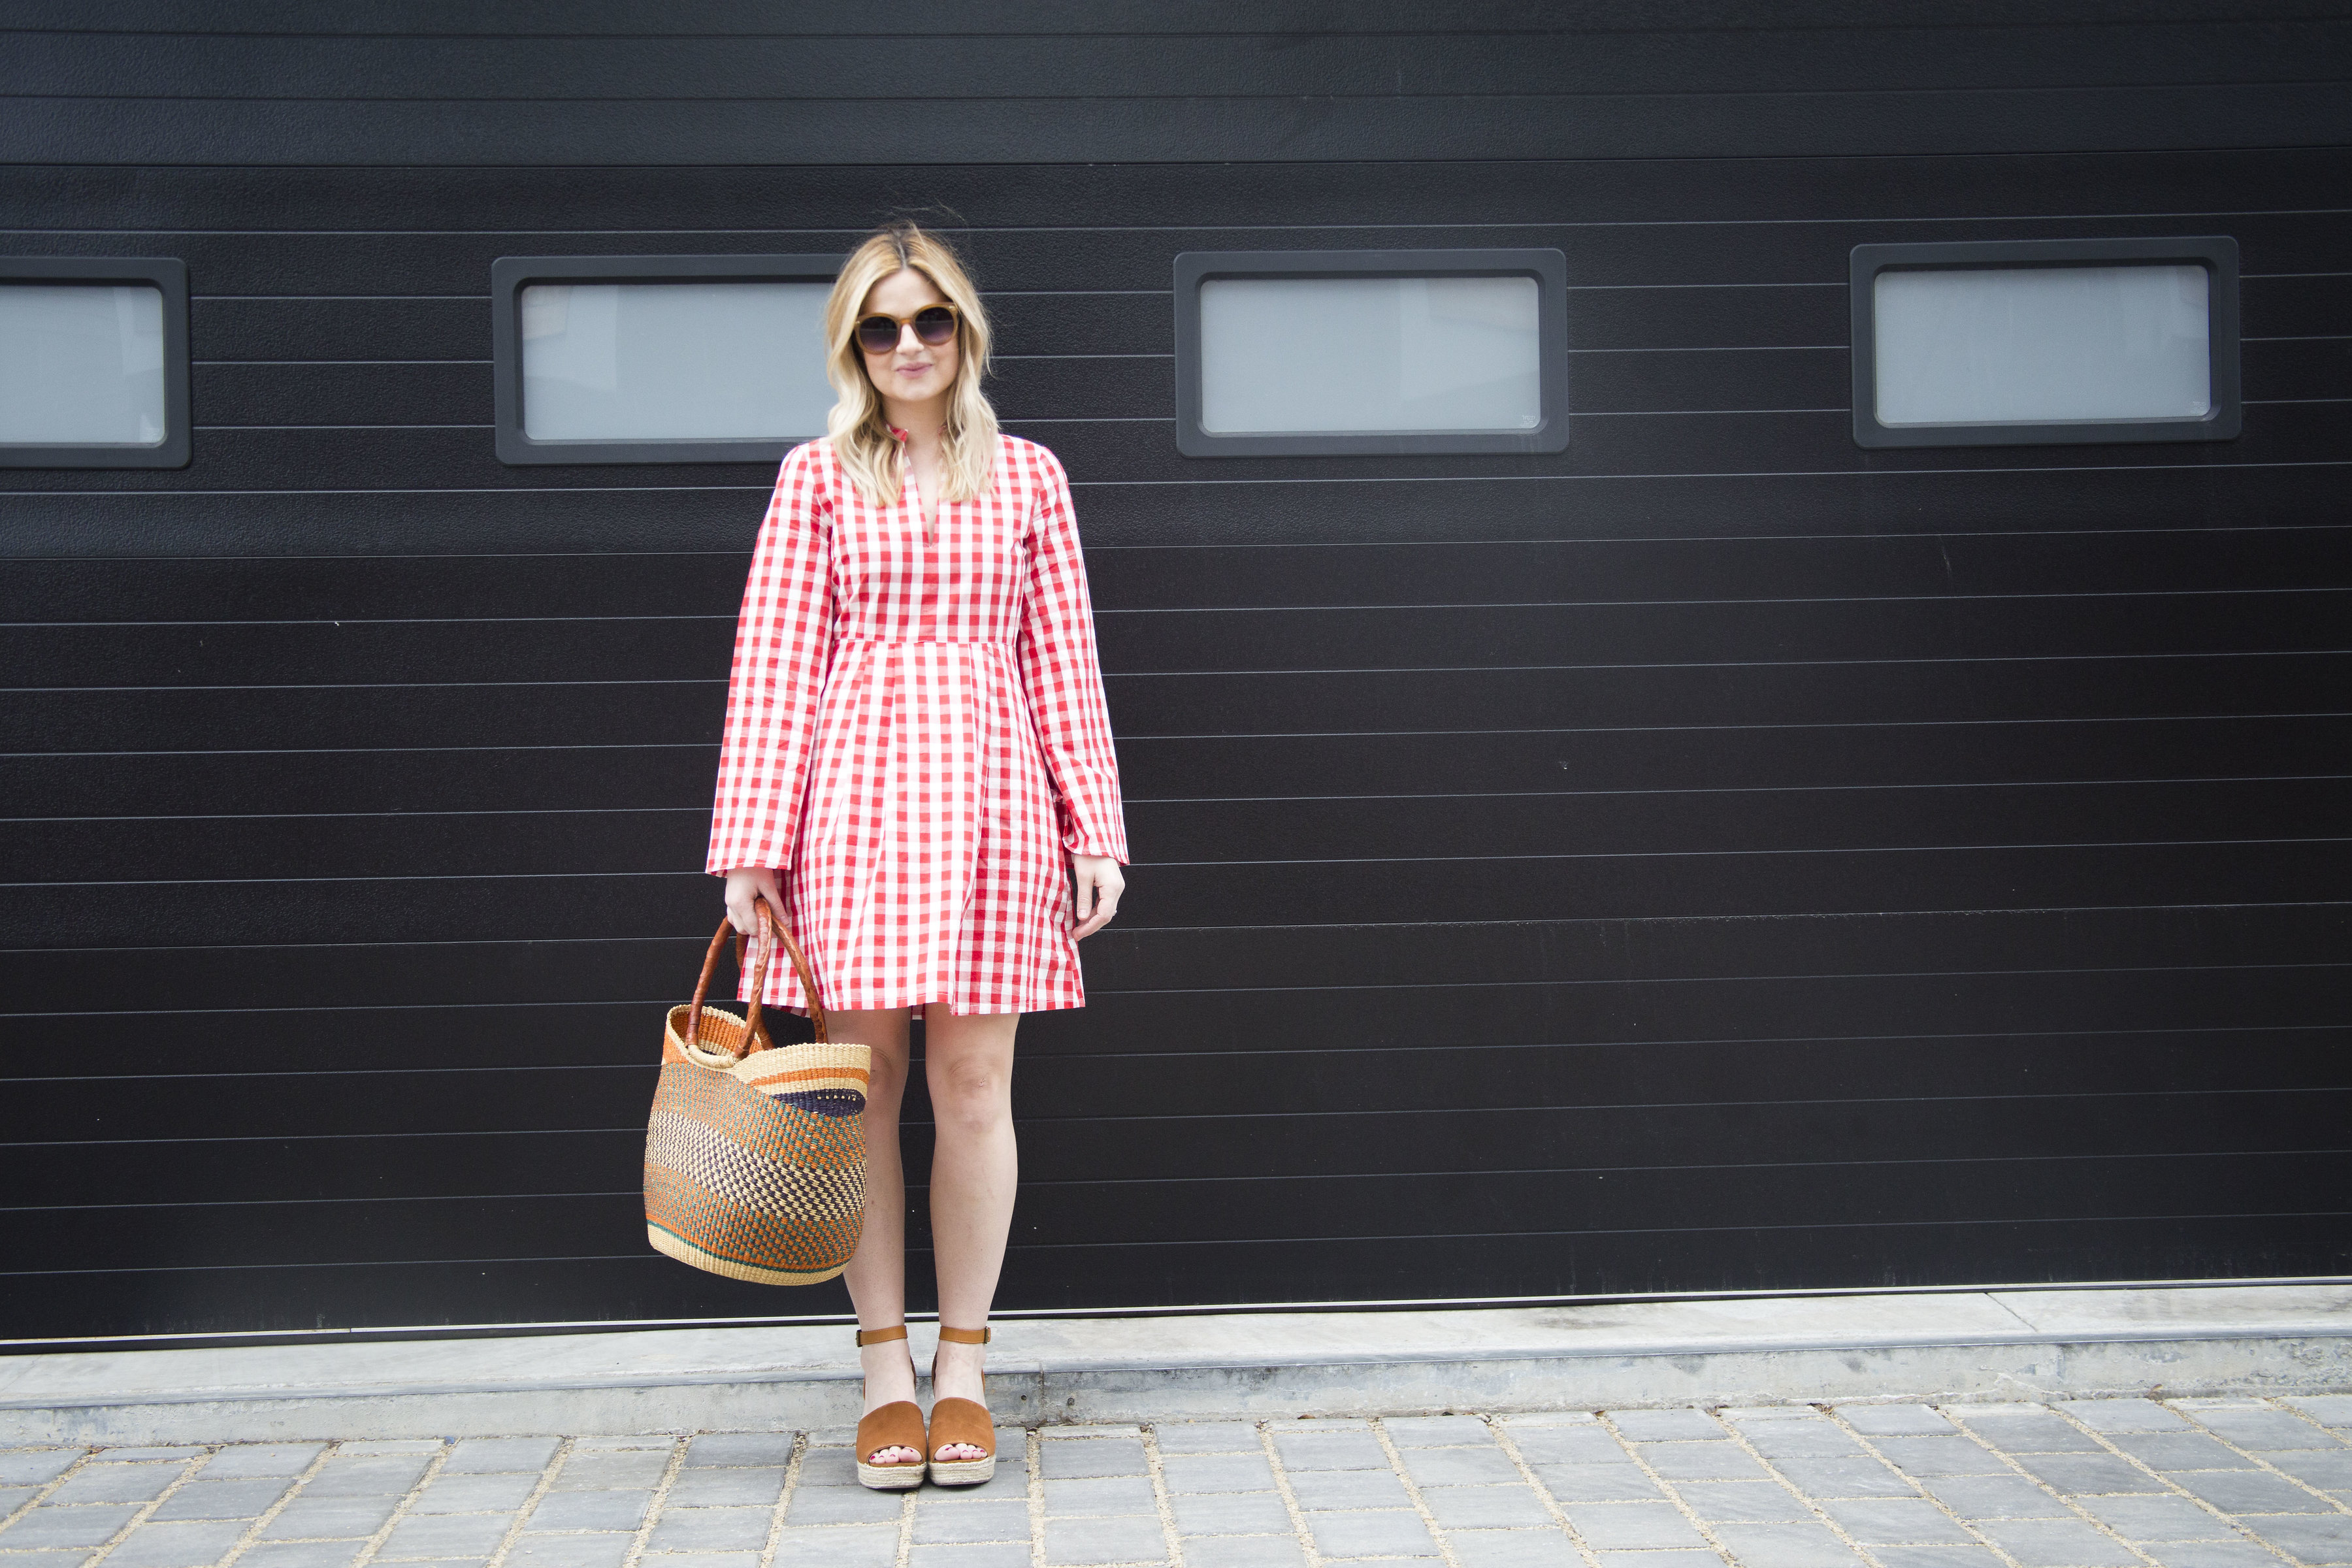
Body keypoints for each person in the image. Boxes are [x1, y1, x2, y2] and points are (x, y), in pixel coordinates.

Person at [706, 220, 1128, 1490]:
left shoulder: (1033, 478)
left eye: (927, 321)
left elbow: (1064, 658)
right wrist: (751, 850)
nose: (906, 346)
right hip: (857, 808)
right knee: (863, 1090)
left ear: (964, 332)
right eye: (880, 327)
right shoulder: (817, 477)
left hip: (996, 804)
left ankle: (964, 1367)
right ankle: (883, 1365)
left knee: (976, 1088)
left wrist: (1095, 826)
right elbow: (774, 665)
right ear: (853, 343)